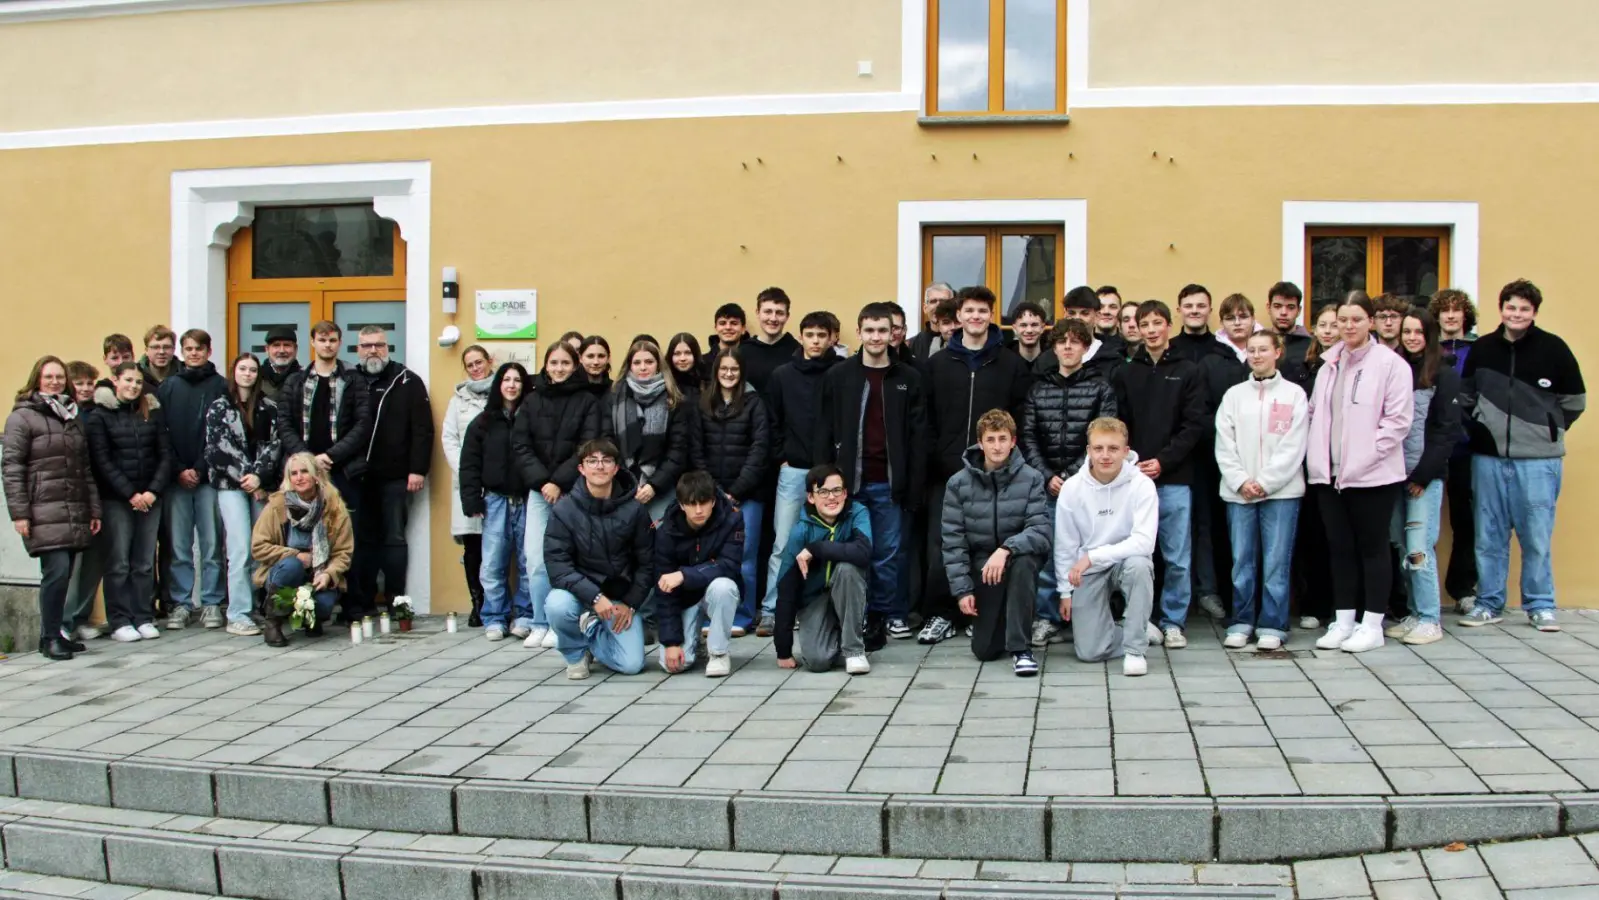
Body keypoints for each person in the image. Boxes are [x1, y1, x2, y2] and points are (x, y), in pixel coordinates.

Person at [1460, 279, 1585, 632]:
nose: (1516, 314)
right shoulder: (1483, 349)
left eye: (1524, 309)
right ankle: (1488, 603)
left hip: (1539, 462)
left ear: (1534, 313)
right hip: (1488, 459)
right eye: (1511, 307)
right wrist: (1482, 431)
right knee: (1488, 536)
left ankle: (1541, 605)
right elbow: (1466, 399)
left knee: (1537, 537)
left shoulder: (1554, 349)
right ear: (1501, 309)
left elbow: (1575, 402)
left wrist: (1545, 430)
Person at [918, 286, 1031, 644]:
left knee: (987, 544)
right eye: (970, 311)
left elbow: (1020, 417)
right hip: (947, 471)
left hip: (995, 473)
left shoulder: (1010, 363)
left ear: (991, 315)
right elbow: (926, 419)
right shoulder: (936, 364)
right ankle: (941, 613)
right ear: (959, 316)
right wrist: (937, 456)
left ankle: (978, 613)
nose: (976, 317)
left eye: (983, 311)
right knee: (942, 548)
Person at [1307, 292, 1415, 653]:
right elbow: (1314, 416)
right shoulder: (1327, 366)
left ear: (1370, 321)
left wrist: (1365, 458)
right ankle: (1344, 620)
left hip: (1372, 477)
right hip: (1329, 476)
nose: (1348, 326)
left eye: (1356, 319)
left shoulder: (1391, 365)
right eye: (1342, 320)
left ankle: (1372, 624)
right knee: (1340, 550)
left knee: (1373, 549)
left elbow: (1397, 422)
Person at [818, 302, 929, 644]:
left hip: (889, 484)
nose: (877, 336)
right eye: (870, 330)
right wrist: (823, 480)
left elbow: (919, 436)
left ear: (893, 333)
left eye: (883, 330)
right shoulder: (839, 376)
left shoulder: (908, 378)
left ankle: (883, 616)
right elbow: (824, 428)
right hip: (847, 483)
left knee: (887, 554)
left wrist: (913, 483)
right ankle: (851, 614)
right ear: (860, 332)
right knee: (849, 551)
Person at [1114, 300, 1208, 649]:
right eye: (1145, 324)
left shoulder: (1188, 370)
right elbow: (1118, 424)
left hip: (1174, 478)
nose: (1151, 330)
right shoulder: (1126, 371)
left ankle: (1172, 622)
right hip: (1134, 478)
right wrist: (1134, 461)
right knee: (1138, 556)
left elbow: (1193, 424)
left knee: (1177, 556)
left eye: (1158, 323)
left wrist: (1164, 461)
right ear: (1136, 328)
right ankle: (1141, 618)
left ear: (1169, 325)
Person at [1021, 317, 1117, 646]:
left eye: (1075, 342)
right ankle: (1048, 617)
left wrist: (1074, 474)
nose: (1067, 347)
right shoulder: (1039, 388)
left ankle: (1087, 615)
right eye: (1062, 341)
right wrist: (1047, 475)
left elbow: (1103, 435)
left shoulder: (1101, 387)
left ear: (1085, 348)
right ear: (1055, 347)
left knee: (1088, 550)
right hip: (1048, 485)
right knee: (1051, 552)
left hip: (1088, 484)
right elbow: (1028, 436)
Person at [1214, 331, 1309, 651]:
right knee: (1242, 560)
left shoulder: (1294, 394)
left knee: (1276, 561)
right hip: (1238, 493)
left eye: (1263, 350)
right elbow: (1224, 444)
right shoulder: (1234, 396)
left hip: (1281, 494)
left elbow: (1294, 446)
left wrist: (1266, 482)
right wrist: (1241, 481)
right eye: (1251, 350)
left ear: (1277, 352)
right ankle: (1241, 621)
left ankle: (1273, 623)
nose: (1256, 355)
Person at [3, 356, 101, 660]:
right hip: (42, 510)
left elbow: (84, 468)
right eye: (49, 377)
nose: (55, 381)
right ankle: (48, 638)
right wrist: (19, 513)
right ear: (37, 379)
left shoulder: (71, 415)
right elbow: (12, 467)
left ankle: (58, 632)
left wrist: (93, 509)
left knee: (65, 572)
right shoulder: (23, 417)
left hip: (72, 508)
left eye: (60, 377)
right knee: (56, 572)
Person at [941, 409, 1051, 675]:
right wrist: (963, 590)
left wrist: (1006, 549)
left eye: (1003, 439)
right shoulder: (958, 483)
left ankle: (1021, 649)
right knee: (985, 651)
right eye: (991, 439)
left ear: (1013, 441)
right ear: (980, 442)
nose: (997, 446)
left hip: (1016, 556)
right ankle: (1004, 619)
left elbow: (1040, 530)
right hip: (983, 563)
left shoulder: (1032, 478)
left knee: (1024, 563)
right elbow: (953, 541)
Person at [511, 342, 602, 646]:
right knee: (536, 559)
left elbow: (587, 446)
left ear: (575, 365)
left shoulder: (587, 400)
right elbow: (520, 445)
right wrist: (542, 482)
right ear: (546, 366)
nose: (559, 368)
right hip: (540, 492)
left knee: (573, 560)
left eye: (565, 363)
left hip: (574, 490)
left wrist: (559, 482)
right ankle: (539, 622)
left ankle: (562, 624)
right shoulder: (532, 400)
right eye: (554, 363)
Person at [1054, 417, 1159, 676]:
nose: (1105, 455)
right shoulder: (1072, 488)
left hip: (1125, 561)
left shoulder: (1142, 485)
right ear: (1088, 451)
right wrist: (1065, 591)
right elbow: (1065, 543)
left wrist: (1093, 556)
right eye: (1098, 448)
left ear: (1126, 451)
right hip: (1088, 570)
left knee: (1139, 565)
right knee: (1089, 652)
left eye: (1113, 449)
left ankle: (1135, 650)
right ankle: (1137, 628)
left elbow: (1144, 542)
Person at [760, 311, 844, 635]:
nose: (815, 341)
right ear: (801, 337)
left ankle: (822, 608)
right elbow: (772, 420)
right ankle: (771, 609)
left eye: (822, 335)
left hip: (830, 472)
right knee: (783, 541)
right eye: (809, 335)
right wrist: (782, 458)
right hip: (793, 470)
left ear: (832, 338)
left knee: (828, 540)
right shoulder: (782, 375)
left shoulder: (840, 372)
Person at [1382, 308, 1461, 646]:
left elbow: (1446, 430)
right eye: (1407, 332)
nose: (1412, 337)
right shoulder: (1397, 368)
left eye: (1418, 332)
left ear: (1429, 336)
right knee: (1401, 544)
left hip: (1423, 478)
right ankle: (1414, 612)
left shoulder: (1443, 373)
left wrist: (1423, 475)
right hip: (1393, 474)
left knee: (1418, 547)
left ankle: (1430, 618)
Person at [544, 439, 653, 679]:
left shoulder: (635, 510)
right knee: (556, 605)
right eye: (592, 461)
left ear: (616, 468)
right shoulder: (564, 510)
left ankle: (591, 631)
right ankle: (575, 654)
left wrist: (631, 603)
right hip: (579, 594)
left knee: (632, 664)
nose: (600, 466)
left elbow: (647, 563)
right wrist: (593, 597)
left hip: (618, 598)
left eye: (606, 461)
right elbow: (558, 567)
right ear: (581, 468)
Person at [86, 361, 170, 643]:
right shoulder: (100, 416)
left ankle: (143, 616)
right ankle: (119, 620)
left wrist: (152, 492)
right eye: (128, 380)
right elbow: (102, 461)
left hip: (150, 498)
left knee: (144, 562)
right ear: (115, 381)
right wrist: (130, 494)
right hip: (117, 500)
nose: (133, 386)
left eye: (137, 381)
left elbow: (165, 454)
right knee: (119, 562)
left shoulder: (152, 412)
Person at [351, 325, 432, 620]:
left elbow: (423, 430)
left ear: (388, 348)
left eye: (379, 345)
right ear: (357, 349)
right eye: (366, 345)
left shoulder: (408, 381)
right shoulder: (350, 379)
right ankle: (363, 603)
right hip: (357, 477)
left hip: (396, 476)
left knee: (395, 539)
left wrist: (417, 469)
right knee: (362, 540)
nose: (373, 350)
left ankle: (397, 602)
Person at [276, 320, 372, 559]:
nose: (327, 345)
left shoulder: (352, 379)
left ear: (339, 343)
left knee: (346, 535)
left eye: (332, 340)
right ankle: (309, 593)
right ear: (312, 343)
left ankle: (348, 594)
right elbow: (284, 423)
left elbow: (363, 424)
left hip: (343, 470)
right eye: (322, 340)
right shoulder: (295, 381)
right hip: (302, 473)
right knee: (302, 535)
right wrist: (308, 460)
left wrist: (331, 456)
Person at [693, 348, 770, 632]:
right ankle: (710, 615)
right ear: (715, 372)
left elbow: (759, 450)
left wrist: (735, 491)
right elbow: (696, 450)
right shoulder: (703, 403)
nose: (728, 374)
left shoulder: (754, 403)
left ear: (741, 372)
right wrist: (713, 491)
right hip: (710, 495)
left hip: (747, 495)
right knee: (707, 556)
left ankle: (743, 616)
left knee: (745, 557)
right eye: (723, 369)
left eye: (734, 369)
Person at [204, 352, 280, 637]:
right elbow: (218, 449)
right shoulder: (219, 408)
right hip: (231, 486)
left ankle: (259, 607)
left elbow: (273, 446)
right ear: (233, 373)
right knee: (238, 549)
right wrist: (247, 477)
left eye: (252, 369)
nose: (247, 373)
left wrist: (259, 476)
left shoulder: (268, 407)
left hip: (261, 486)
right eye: (242, 368)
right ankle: (237, 613)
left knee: (261, 548)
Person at [157, 329, 228, 629]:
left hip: (209, 478)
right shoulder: (169, 387)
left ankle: (212, 602)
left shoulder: (221, 386)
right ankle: (181, 604)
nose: (194, 353)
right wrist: (178, 469)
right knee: (179, 546)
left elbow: (221, 433)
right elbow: (162, 433)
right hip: (177, 479)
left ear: (209, 351)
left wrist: (199, 467)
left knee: (212, 545)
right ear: (182, 352)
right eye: (188, 349)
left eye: (199, 348)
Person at [772, 465, 872, 674]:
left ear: (845, 493)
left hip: (847, 591)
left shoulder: (857, 513)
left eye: (837, 490)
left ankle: (854, 650)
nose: (831, 497)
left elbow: (863, 552)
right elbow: (786, 587)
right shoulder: (801, 529)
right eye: (823, 492)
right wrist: (783, 649)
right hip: (814, 600)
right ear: (811, 497)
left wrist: (817, 548)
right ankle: (838, 635)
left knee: (847, 569)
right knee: (817, 662)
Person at [462, 362, 535, 643]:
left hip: (528, 498)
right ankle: (495, 616)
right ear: (498, 384)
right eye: (506, 379)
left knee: (529, 562)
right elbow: (468, 464)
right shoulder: (482, 422)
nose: (512, 385)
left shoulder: (531, 420)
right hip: (494, 500)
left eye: (518, 380)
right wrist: (471, 500)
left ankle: (525, 615)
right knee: (493, 563)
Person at [251, 451, 354, 647]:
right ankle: (273, 623)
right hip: (284, 572)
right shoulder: (277, 505)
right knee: (292, 566)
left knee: (323, 605)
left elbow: (344, 552)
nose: (299, 478)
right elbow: (258, 546)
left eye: (304, 472)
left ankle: (310, 619)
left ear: (316, 476)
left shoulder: (334, 507)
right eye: (294, 473)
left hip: (317, 573)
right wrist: (297, 555)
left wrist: (329, 574)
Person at [653, 471, 744, 677]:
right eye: (692, 504)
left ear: (713, 501)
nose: (698, 510)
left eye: (704, 503)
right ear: (681, 504)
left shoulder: (733, 519)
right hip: (685, 598)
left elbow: (729, 565)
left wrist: (684, 575)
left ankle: (719, 652)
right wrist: (671, 642)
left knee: (724, 587)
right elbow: (664, 590)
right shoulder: (665, 531)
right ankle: (692, 641)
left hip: (715, 591)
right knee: (673, 665)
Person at [1292, 303, 1341, 629]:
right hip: (1309, 463)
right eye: (1321, 325)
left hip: (1340, 463)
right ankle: (1314, 603)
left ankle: (1343, 605)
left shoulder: (1347, 368)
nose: (1327, 330)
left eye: (1333, 325)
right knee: (1312, 538)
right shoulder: (1304, 367)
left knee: (1338, 538)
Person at [1430, 288, 1479, 613]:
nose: (1450, 315)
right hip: (1432, 446)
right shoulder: (1428, 349)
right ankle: (1418, 593)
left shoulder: (1479, 350)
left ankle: (1463, 589)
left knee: (1466, 522)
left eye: (1456, 310)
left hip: (1466, 448)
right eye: (1444, 310)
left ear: (1465, 315)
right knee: (1422, 524)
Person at [609, 340, 690, 523]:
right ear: (629, 366)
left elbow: (678, 452)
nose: (643, 367)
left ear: (659, 365)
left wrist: (654, 485)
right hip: (621, 486)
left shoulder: (674, 401)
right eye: (637, 363)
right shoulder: (615, 397)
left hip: (661, 488)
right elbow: (608, 444)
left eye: (649, 362)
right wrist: (628, 482)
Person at [441, 345, 494, 625]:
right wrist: (466, 470)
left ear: (489, 362)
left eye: (479, 362)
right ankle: (478, 603)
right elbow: (449, 438)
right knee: (473, 547)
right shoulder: (457, 399)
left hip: (497, 480)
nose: (475, 368)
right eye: (470, 364)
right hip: (467, 482)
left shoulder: (503, 391)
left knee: (497, 545)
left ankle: (499, 603)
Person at [61, 362, 105, 643]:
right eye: (80, 383)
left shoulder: (99, 414)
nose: (86, 388)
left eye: (90, 383)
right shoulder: (65, 416)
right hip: (70, 498)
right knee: (69, 565)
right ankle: (64, 621)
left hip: (100, 495)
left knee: (93, 562)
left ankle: (80, 617)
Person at [741, 288, 803, 394]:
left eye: (779, 313)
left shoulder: (798, 352)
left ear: (787, 316)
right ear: (758, 313)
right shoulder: (743, 351)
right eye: (768, 312)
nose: (773, 318)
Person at [1267, 282, 1313, 364]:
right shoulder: (1257, 344)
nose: (1283, 312)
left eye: (1290, 307)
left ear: (1299, 311)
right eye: (1277, 306)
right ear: (1268, 308)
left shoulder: (1312, 347)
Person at [910, 293, 959, 366]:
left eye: (957, 321)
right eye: (946, 323)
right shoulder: (913, 343)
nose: (952, 327)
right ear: (938, 325)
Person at [666, 332, 707, 411]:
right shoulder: (664, 384)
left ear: (695, 354)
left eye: (688, 353)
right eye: (677, 353)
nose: (682, 358)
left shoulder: (706, 381)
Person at [258, 326, 301, 401]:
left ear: (296, 349)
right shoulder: (255, 377)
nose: (281, 350)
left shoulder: (306, 378)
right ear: (267, 349)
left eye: (287, 345)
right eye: (276, 345)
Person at [1006, 301, 1050, 368]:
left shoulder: (1053, 361)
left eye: (1034, 325)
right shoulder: (1005, 362)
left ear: (1043, 328)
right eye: (1023, 325)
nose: (1029, 330)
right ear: (1014, 329)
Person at [139, 326, 176, 393]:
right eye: (156, 347)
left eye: (167, 347)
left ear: (173, 350)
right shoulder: (136, 375)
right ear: (146, 351)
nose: (161, 352)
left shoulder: (184, 375)